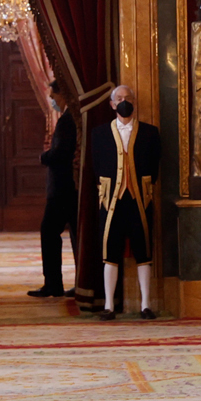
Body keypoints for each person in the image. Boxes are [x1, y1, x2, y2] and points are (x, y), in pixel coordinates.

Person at [89, 84, 161, 320]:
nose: (123, 102)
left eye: (127, 98)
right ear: (112, 104)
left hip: (140, 199)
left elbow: (155, 165)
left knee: (144, 250)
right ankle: (109, 305)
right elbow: (96, 165)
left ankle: (146, 305)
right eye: (119, 98)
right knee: (110, 251)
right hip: (111, 202)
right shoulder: (99, 134)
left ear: (134, 102)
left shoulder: (150, 133)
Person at [30, 78, 78, 299]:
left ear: (64, 95)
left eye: (53, 96)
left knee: (49, 232)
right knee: (75, 236)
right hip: (68, 189)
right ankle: (65, 283)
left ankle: (53, 284)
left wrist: (43, 157)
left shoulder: (68, 120)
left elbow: (61, 153)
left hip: (63, 190)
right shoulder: (69, 118)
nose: (51, 100)